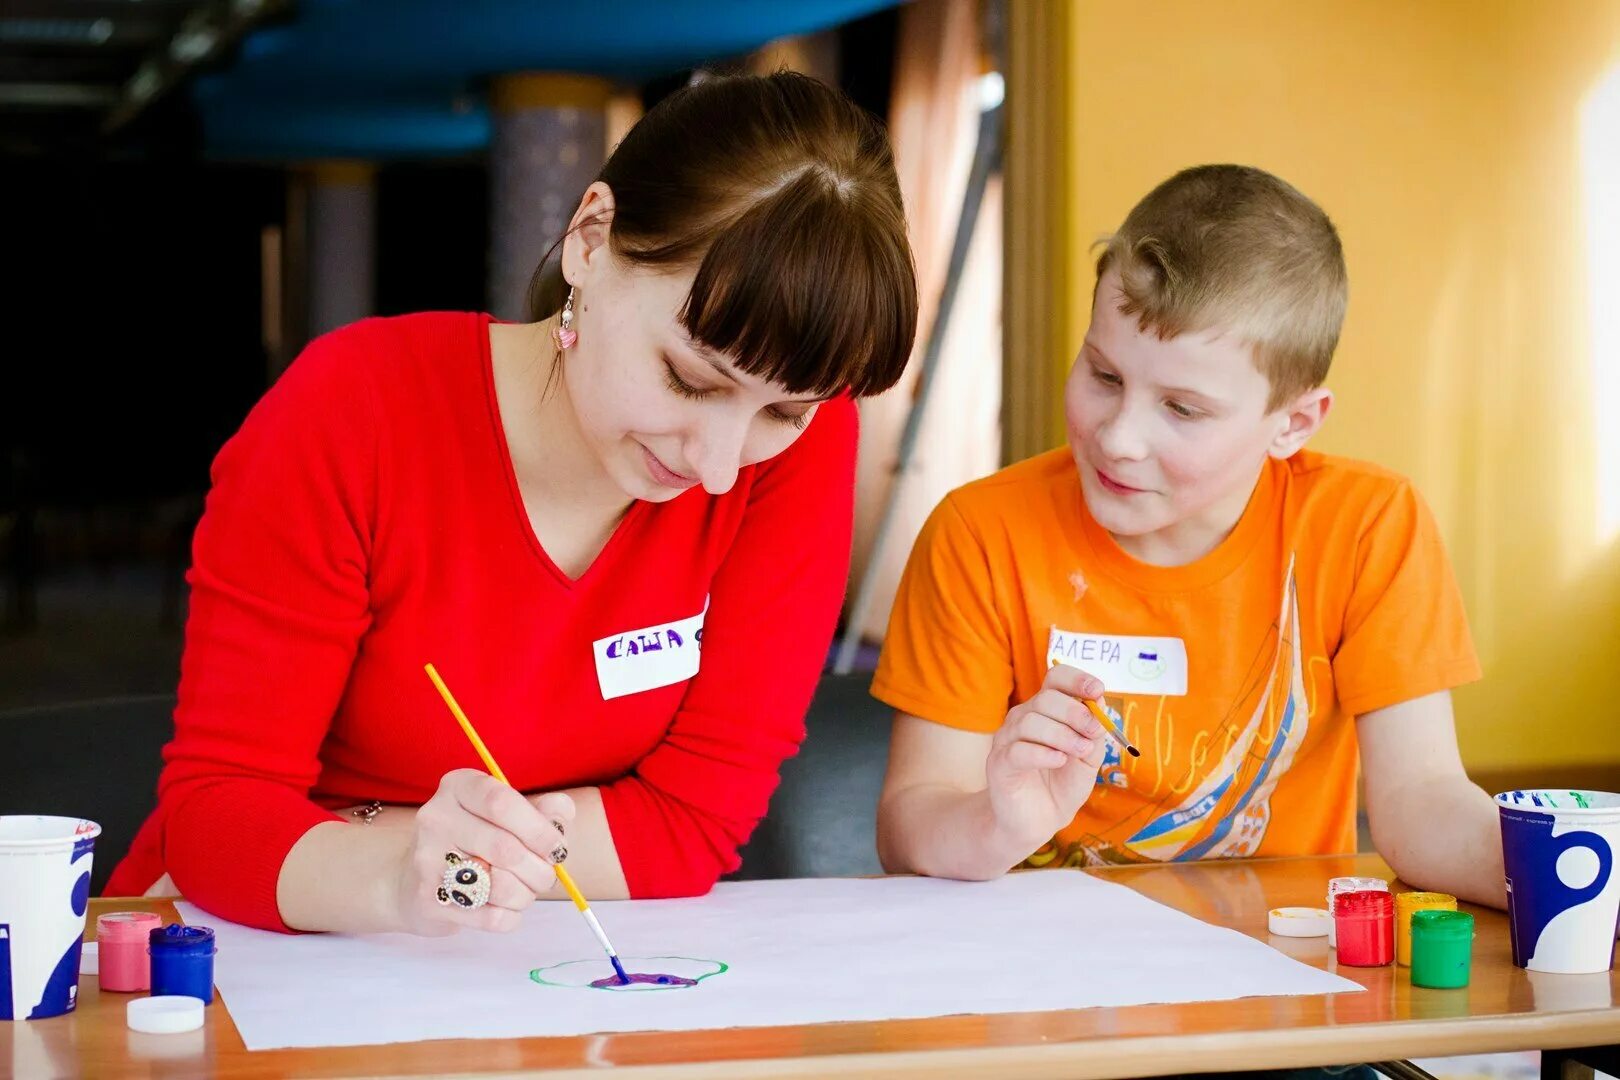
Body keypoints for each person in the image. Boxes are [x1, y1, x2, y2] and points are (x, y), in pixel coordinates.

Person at [106, 71, 919, 936]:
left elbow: (692, 827)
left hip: (527, 969)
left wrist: (399, 836)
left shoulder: (801, 441)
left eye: (782, 413)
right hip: (241, 948)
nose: (719, 468)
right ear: (590, 237)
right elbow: (219, 819)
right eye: (688, 378)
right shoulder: (352, 416)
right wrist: (400, 873)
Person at [873, 164, 1501, 911]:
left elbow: (1425, 801)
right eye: (1104, 375)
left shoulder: (1368, 528)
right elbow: (910, 821)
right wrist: (994, 822)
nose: (1119, 438)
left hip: (1282, 970)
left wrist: (1568, 871)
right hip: (1045, 970)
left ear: (1294, 423)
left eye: (1182, 409)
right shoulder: (978, 533)